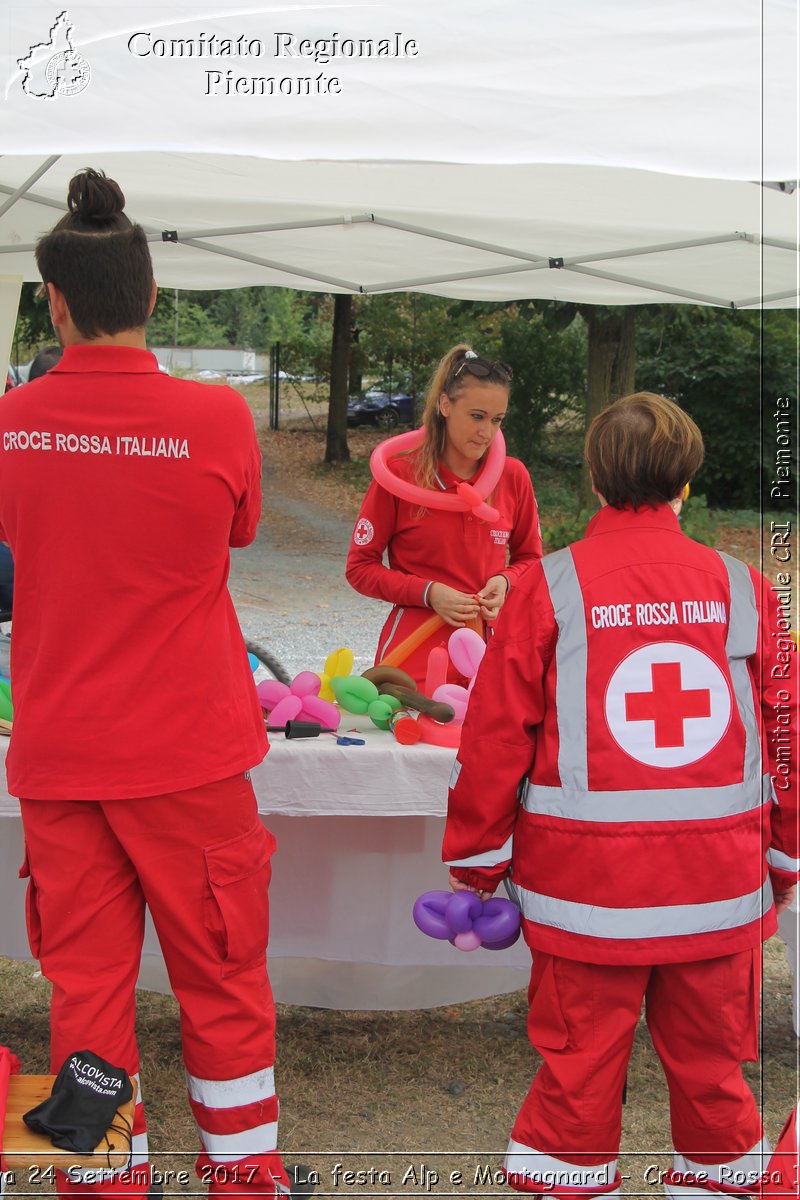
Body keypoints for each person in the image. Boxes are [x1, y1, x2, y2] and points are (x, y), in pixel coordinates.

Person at [0, 170, 293, 1199]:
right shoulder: (216, 421)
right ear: (153, 297)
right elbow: (240, 530)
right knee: (221, 974)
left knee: (83, 984)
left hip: (61, 750)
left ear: (55, 301)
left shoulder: (12, 423)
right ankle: (244, 1175)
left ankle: (98, 1179)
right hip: (190, 753)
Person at [443, 392, 798, 1198]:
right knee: (715, 1074)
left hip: (584, 896)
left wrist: (476, 862)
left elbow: (496, 736)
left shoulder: (548, 587)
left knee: (578, 1075)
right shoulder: (743, 588)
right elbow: (787, 732)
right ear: (686, 487)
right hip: (718, 890)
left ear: (596, 483)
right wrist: (782, 854)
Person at [345, 344, 543, 688]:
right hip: (413, 652)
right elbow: (360, 568)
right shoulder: (399, 474)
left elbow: (531, 559)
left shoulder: (513, 477)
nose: (487, 432)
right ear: (445, 405)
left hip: (487, 651)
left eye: (497, 420)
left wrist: (506, 582)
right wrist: (428, 592)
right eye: (477, 416)